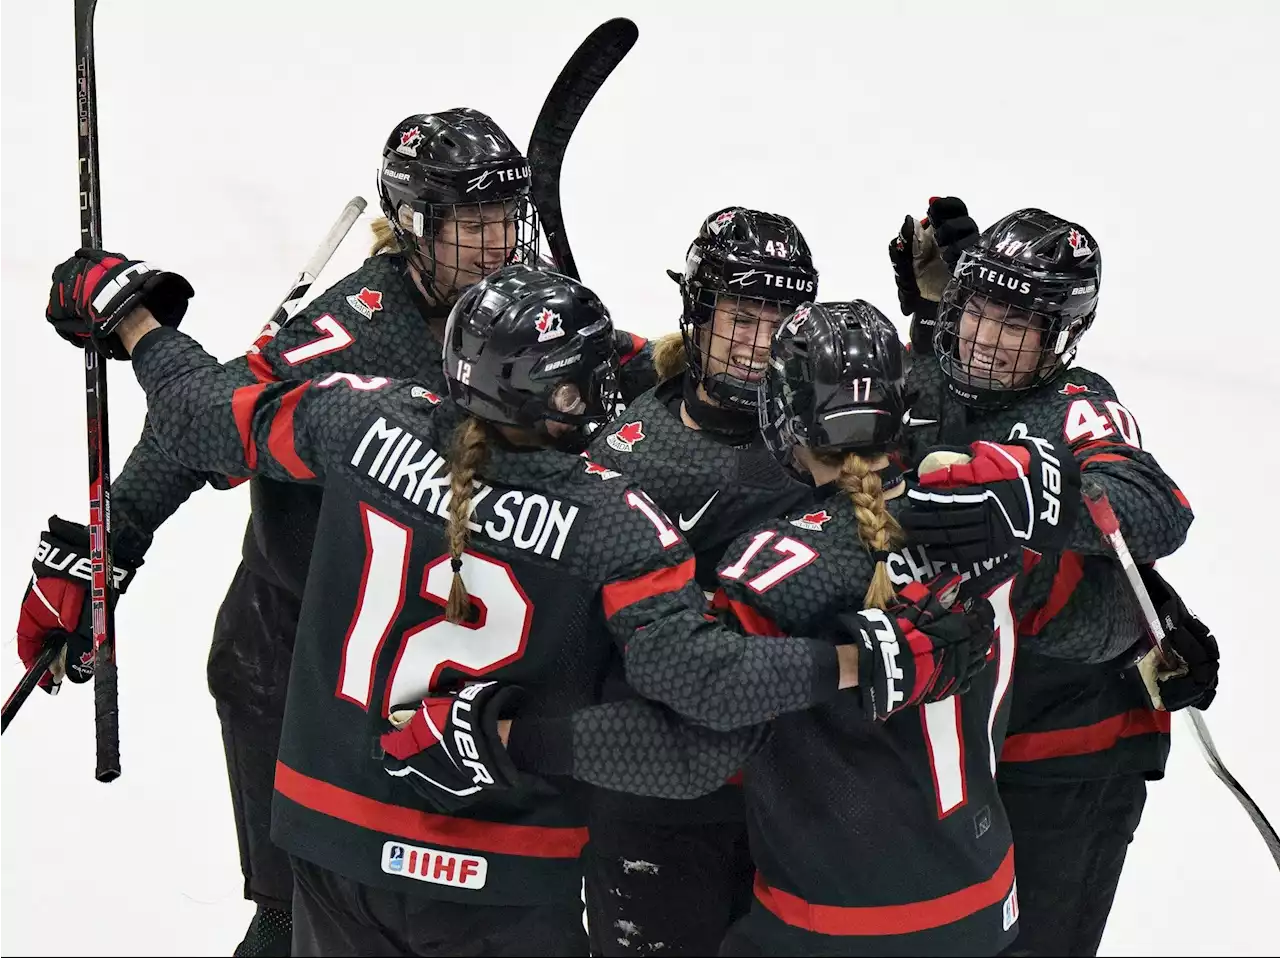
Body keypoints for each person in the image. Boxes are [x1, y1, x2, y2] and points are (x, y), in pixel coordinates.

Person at [34, 255, 995, 957]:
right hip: (503, 878)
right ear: (571, 396)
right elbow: (696, 719)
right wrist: (856, 662)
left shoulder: (354, 414)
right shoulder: (617, 523)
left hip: (332, 834)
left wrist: (136, 325)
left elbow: (203, 415)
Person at [13, 107, 656, 958]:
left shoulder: (516, 317)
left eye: (506, 220)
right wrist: (107, 546)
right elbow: (207, 426)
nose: (496, 245)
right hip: (295, 670)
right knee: (297, 916)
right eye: (470, 224)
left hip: (444, 672)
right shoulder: (349, 334)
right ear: (416, 225)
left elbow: (623, 373)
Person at [887, 202, 1219, 957]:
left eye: (1018, 326)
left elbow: (1156, 509)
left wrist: (1037, 496)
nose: (987, 341)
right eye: (978, 313)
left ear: (1061, 339)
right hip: (975, 743)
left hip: (1078, 754)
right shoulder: (937, 372)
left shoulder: (1076, 405)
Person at [580, 206, 824, 956]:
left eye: (780, 323)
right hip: (654, 803)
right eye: (741, 318)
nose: (759, 345)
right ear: (698, 313)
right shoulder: (626, 454)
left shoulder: (826, 437)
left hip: (798, 798)